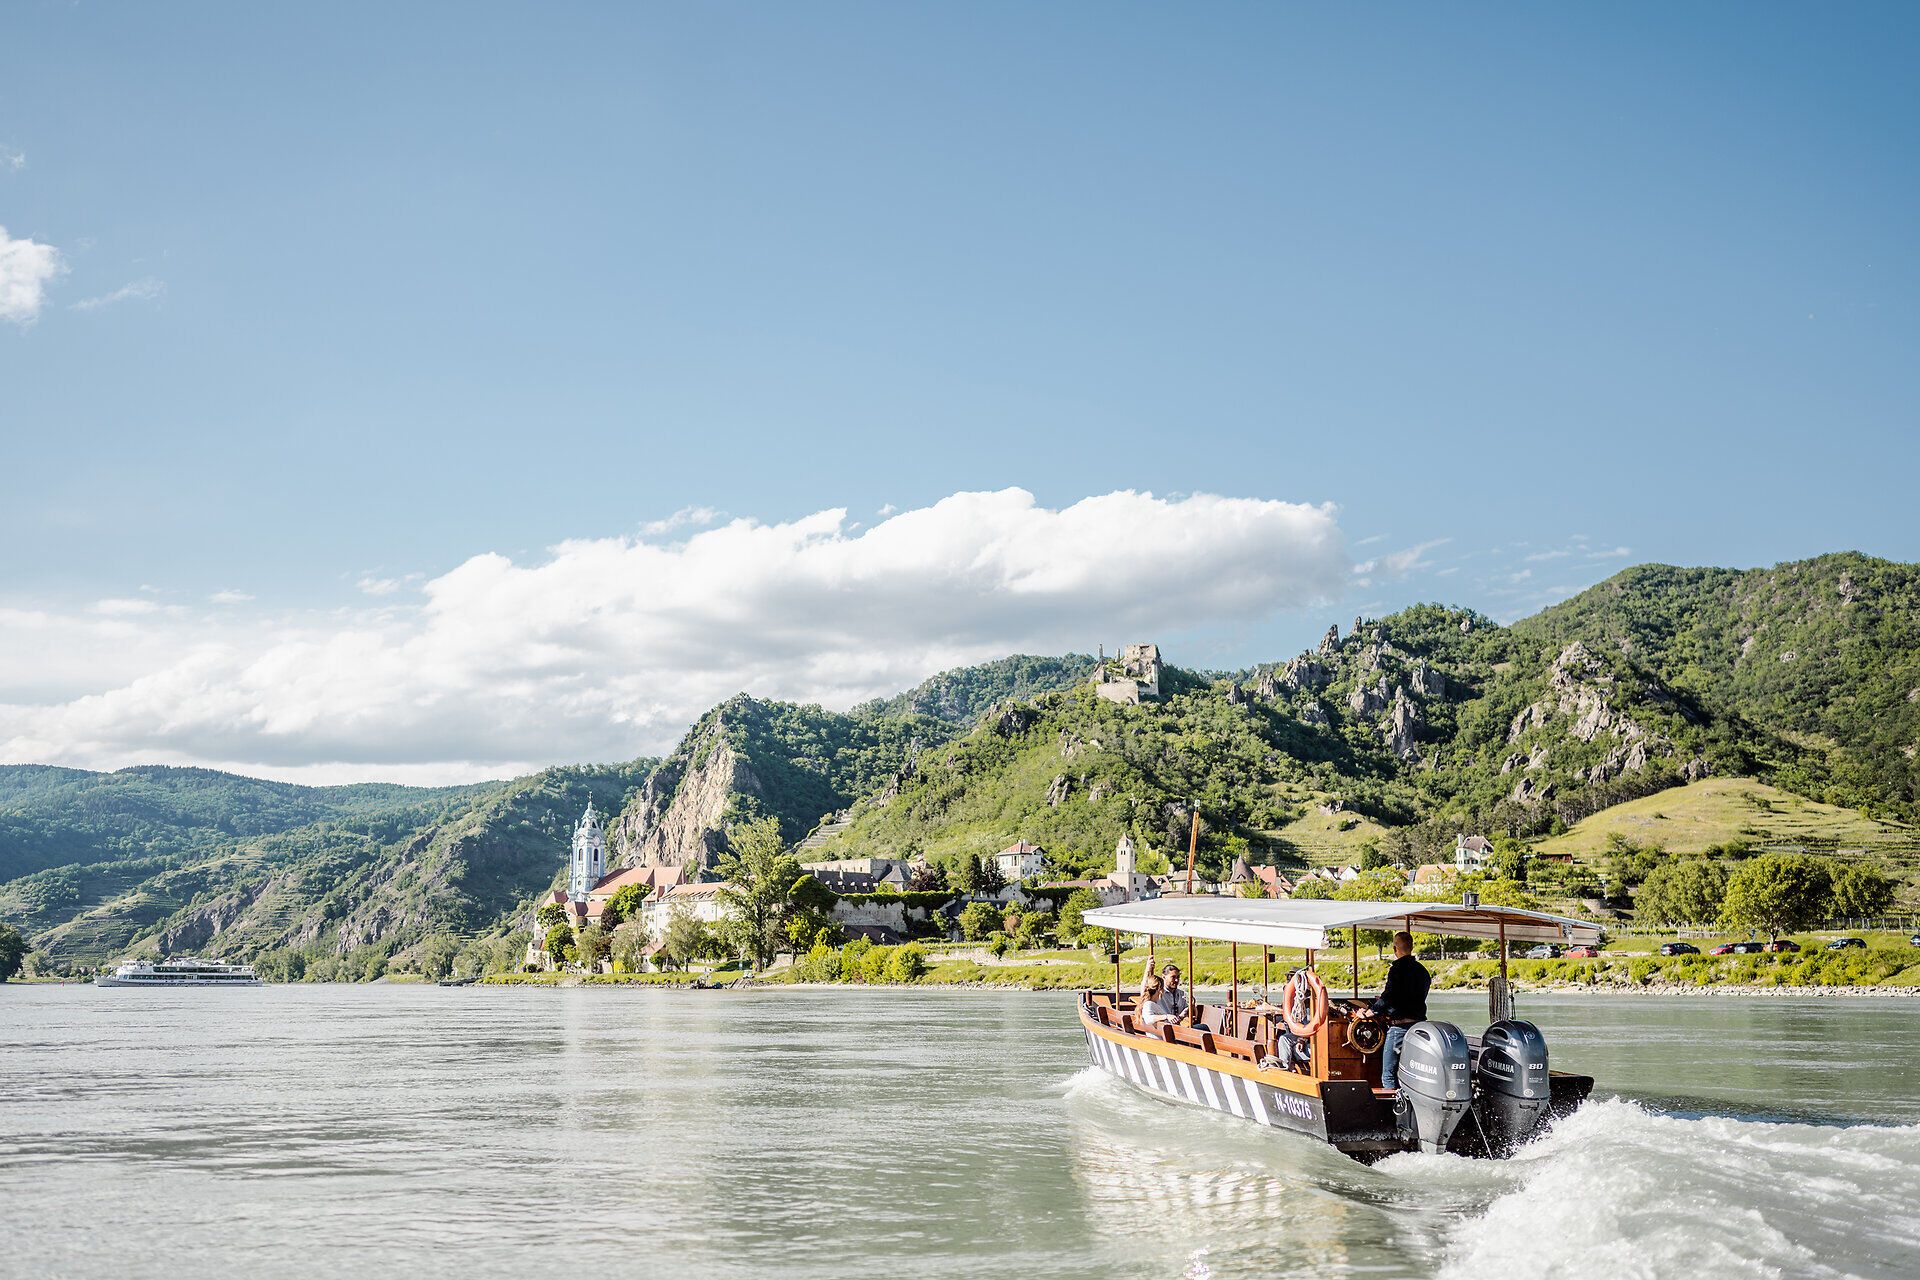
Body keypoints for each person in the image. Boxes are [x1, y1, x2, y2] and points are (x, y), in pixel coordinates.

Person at [1358, 931, 1430, 1091]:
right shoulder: (1423, 971)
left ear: (1394, 949)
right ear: (1411, 947)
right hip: (1419, 1027)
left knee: (1388, 1074)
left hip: (1399, 1028)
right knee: (1412, 1072)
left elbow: (1389, 997)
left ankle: (1392, 1105)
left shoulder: (1397, 970)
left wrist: (1369, 1012)